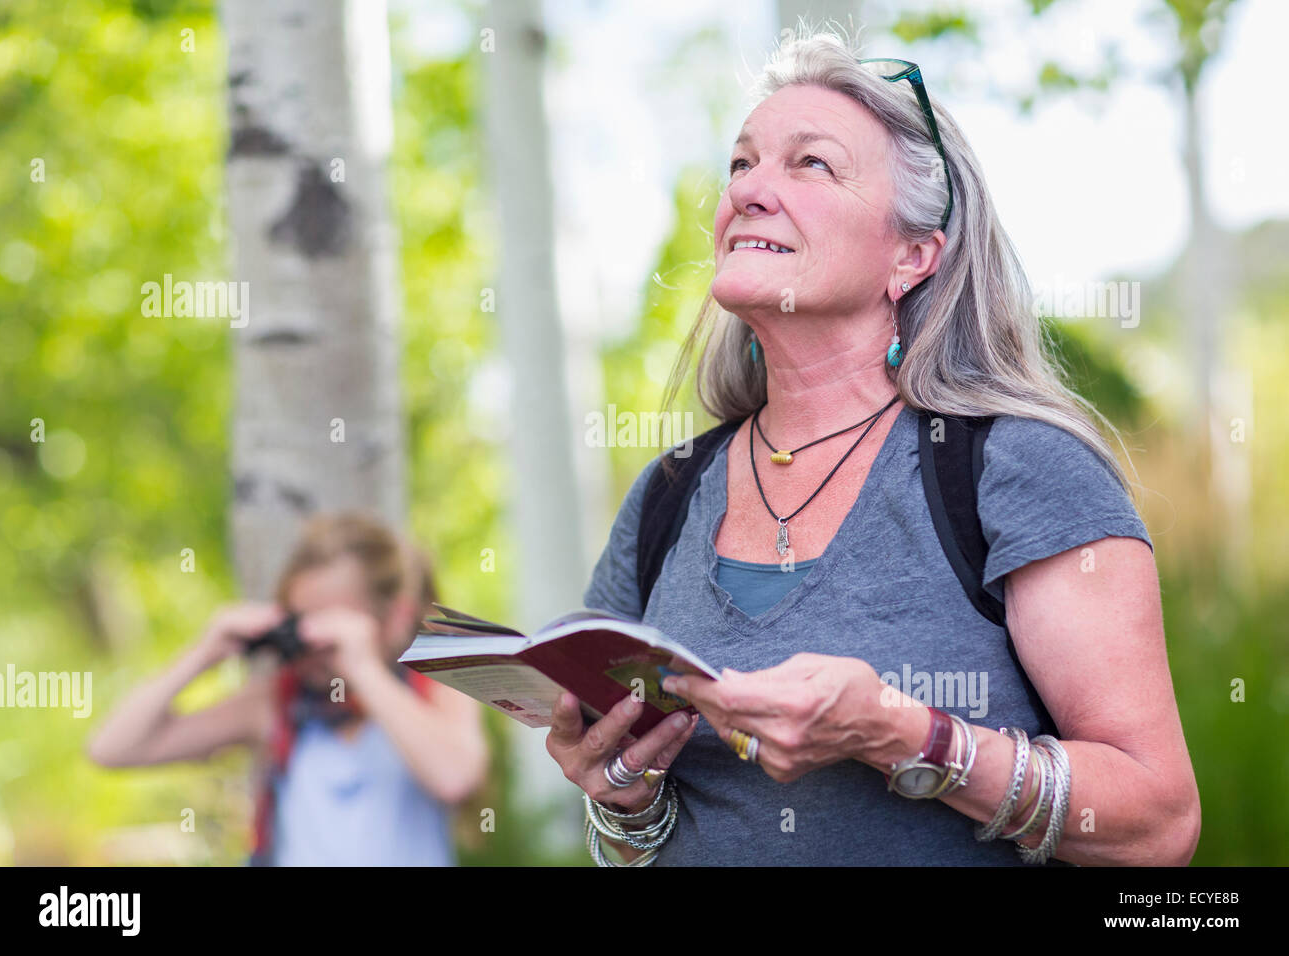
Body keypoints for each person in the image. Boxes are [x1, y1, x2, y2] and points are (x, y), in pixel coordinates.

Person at [547, 28, 1200, 866]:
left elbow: (1158, 825)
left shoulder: (1016, 472)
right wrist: (623, 802)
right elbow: (643, 837)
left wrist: (904, 735)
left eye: (809, 163)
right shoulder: (668, 492)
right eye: (741, 164)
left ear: (913, 255)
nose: (748, 190)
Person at [88, 512, 489, 866]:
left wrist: (363, 667)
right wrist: (204, 652)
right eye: (301, 625)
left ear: (398, 617)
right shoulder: (276, 703)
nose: (312, 646)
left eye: (331, 624)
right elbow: (112, 748)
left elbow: (453, 777)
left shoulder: (434, 690)